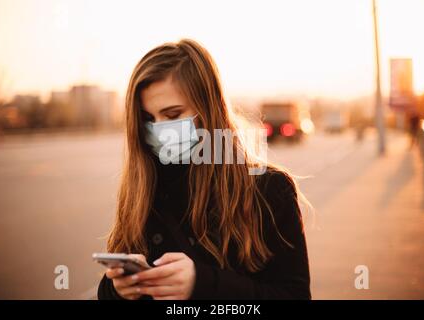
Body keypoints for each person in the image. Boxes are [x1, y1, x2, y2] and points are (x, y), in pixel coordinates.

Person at [97, 39, 311, 300]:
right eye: (148, 119)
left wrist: (203, 284)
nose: (158, 128)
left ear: (209, 109)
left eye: (173, 115)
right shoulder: (142, 190)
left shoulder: (268, 190)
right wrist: (118, 290)